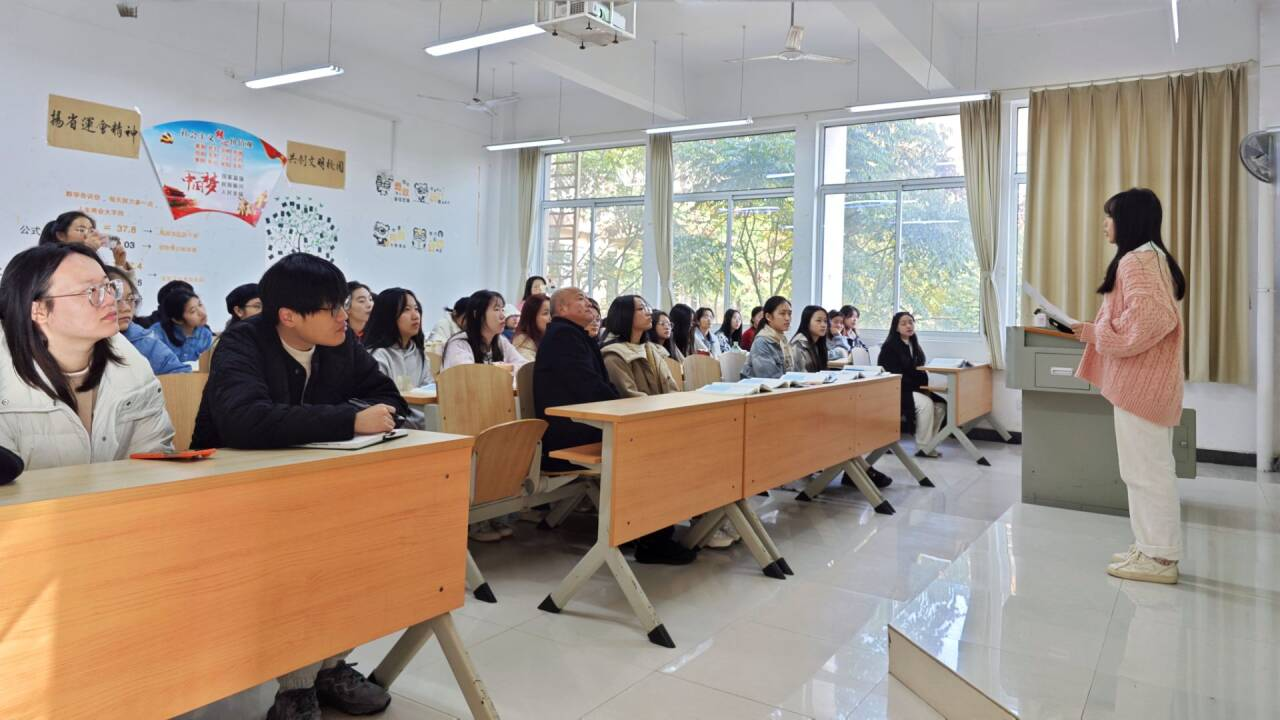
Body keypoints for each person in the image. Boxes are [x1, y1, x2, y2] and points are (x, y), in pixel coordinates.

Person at [191, 253, 407, 720]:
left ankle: (330, 666)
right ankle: (296, 687)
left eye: (343, 305)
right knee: (302, 568)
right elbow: (245, 421)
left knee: (355, 559)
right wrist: (348, 419)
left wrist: (326, 419)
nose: (344, 316)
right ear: (288, 316)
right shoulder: (242, 342)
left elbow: (389, 399)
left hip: (318, 486)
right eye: (332, 309)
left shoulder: (340, 343)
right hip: (238, 491)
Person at [1072, 188, 1187, 585]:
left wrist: (1101, 333)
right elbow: (1143, 318)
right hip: (1146, 384)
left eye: (1111, 216)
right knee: (1144, 470)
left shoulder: (1136, 261)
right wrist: (1094, 330)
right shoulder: (1149, 258)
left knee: (1147, 472)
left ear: (1129, 221)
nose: (1105, 224)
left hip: (1141, 386)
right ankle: (1150, 546)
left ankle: (1160, 557)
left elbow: (1152, 321)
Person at [0, 243, 173, 481]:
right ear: (38, 310)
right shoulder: (4, 377)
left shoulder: (132, 365)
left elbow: (154, 458)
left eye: (109, 286)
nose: (110, 299)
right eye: (91, 291)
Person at [598, 295, 709, 559]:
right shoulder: (613, 354)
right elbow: (629, 397)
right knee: (669, 457)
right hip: (635, 428)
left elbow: (671, 387)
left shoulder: (652, 349)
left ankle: (705, 517)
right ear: (625, 316)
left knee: (706, 443)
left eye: (648, 307)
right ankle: (654, 540)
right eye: (641, 308)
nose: (649, 312)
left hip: (659, 420)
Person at [878, 311, 945, 457]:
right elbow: (894, 375)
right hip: (897, 390)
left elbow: (919, 370)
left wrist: (924, 387)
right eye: (903, 323)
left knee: (940, 405)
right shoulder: (889, 347)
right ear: (896, 328)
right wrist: (920, 387)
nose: (908, 326)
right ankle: (923, 447)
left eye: (910, 322)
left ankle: (929, 444)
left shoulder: (914, 344)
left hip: (914, 388)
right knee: (926, 404)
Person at [365, 288, 432, 430]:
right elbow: (381, 404)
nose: (415, 316)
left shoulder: (420, 355)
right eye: (406, 310)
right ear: (388, 315)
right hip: (392, 427)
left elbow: (428, 395)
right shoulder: (377, 356)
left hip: (421, 424)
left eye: (416, 309)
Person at [105, 266, 189, 375]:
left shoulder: (146, 344)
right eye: (116, 300)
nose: (126, 308)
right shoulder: (87, 343)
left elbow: (181, 375)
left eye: (130, 299)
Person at [441, 290, 529, 371]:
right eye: (496, 309)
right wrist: (498, 368)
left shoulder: (501, 341)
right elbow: (468, 375)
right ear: (477, 314)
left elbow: (524, 366)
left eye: (502, 310)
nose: (503, 316)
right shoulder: (459, 344)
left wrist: (510, 367)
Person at [38, 210, 136, 277]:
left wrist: (120, 264)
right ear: (61, 235)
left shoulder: (94, 261)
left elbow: (118, 294)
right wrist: (87, 251)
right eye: (81, 230)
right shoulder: (48, 262)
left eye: (90, 230)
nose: (87, 235)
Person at [150, 287, 213, 363]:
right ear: (177, 320)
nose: (202, 312)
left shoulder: (205, 335)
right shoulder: (156, 334)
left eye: (200, 305)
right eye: (193, 311)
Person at [740, 296, 799, 379]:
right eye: (782, 313)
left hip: (782, 385)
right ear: (768, 317)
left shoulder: (782, 340)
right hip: (762, 386)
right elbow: (769, 378)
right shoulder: (761, 342)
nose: (787, 318)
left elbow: (793, 372)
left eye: (789, 314)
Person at [512, 293, 551, 361]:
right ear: (531, 317)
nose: (551, 317)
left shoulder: (548, 338)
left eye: (552, 312)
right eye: (545, 313)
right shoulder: (523, 343)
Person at [790, 306, 829, 372]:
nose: (823, 325)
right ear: (807, 322)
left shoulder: (818, 344)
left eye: (825, 321)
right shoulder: (798, 344)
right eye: (818, 320)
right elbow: (800, 374)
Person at [346, 281, 374, 346]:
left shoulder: (377, 335)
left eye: (370, 299)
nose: (369, 305)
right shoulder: (339, 336)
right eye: (361, 301)